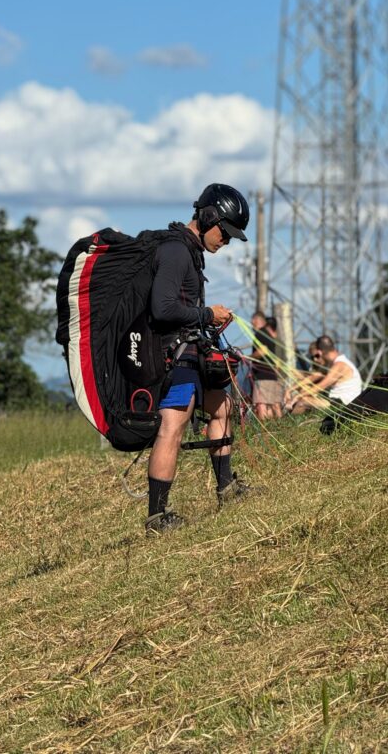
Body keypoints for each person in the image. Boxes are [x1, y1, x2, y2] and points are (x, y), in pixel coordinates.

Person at [145, 183, 251, 534]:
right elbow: (162, 309)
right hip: (172, 358)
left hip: (190, 352)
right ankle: (157, 516)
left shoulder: (189, 251)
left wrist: (207, 319)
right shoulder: (176, 251)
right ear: (208, 218)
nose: (227, 241)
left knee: (221, 406)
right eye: (225, 231)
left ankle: (227, 487)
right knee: (173, 426)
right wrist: (207, 314)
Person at [286, 334, 362, 414]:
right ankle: (291, 417)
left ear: (319, 352)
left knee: (304, 401)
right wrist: (289, 390)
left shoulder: (340, 365)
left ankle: (289, 420)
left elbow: (321, 386)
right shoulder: (333, 363)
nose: (315, 359)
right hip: (336, 401)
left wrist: (296, 397)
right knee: (304, 392)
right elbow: (313, 377)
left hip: (344, 405)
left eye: (317, 356)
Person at [250, 313, 283, 421]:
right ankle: (274, 427)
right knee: (270, 405)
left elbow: (262, 351)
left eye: (252, 321)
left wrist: (248, 357)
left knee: (261, 404)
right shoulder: (269, 335)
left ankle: (264, 428)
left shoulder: (260, 333)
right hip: (271, 374)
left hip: (262, 375)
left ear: (256, 320)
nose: (251, 324)